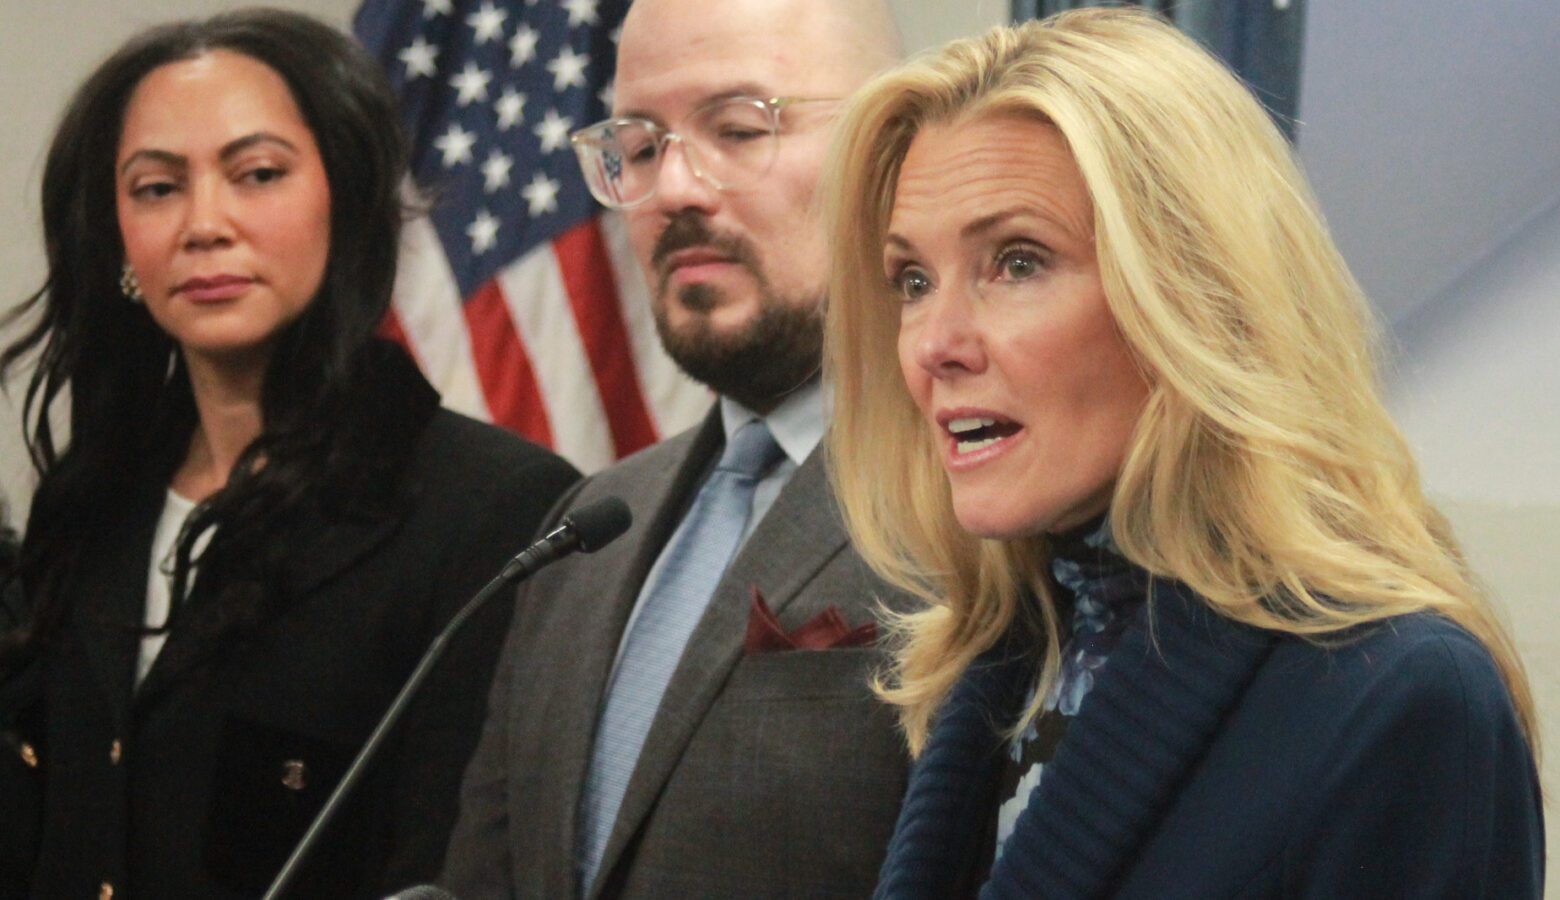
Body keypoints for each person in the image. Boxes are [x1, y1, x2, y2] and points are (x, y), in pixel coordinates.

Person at [821, 9, 1544, 899]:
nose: (935, 344)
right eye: (914, 281)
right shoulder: (994, 663)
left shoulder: (1402, 696)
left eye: (1017, 261)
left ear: (1195, 295)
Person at [0, 10, 580, 898]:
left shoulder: (494, 510)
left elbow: (464, 867)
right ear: (118, 235)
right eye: (157, 187)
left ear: (343, 197)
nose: (205, 223)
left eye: (257, 174)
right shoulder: (89, 501)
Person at [441, 0, 913, 897]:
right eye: (643, 147)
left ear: (889, 149)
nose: (676, 189)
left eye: (738, 129)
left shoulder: (980, 503)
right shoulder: (585, 531)